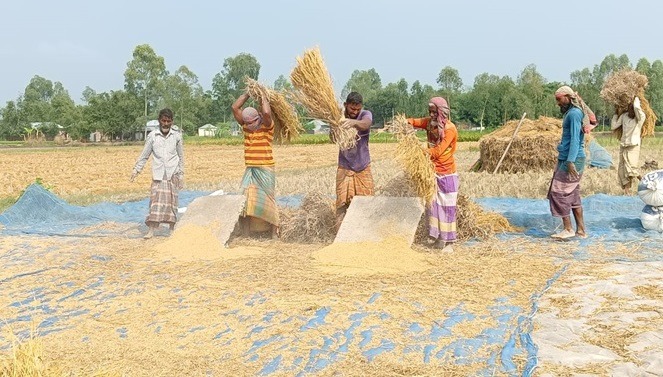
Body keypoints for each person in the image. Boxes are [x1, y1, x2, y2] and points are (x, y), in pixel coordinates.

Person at [407, 97, 458, 252]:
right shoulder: (430, 123)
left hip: (446, 174)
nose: (431, 115)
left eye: (434, 112)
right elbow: (413, 122)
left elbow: (437, 152)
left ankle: (448, 242)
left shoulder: (449, 129)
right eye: (430, 112)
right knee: (433, 206)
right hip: (432, 173)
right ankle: (437, 238)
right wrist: (405, 125)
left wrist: (418, 152)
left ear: (442, 112)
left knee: (446, 207)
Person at [130, 108, 184, 239]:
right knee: (155, 202)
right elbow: (145, 155)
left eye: (168, 121)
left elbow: (181, 156)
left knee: (172, 203)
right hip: (158, 174)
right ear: (159, 120)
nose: (165, 124)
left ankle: (171, 229)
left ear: (172, 121)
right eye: (163, 120)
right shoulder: (153, 136)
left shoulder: (176, 136)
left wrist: (181, 175)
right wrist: (136, 170)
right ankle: (151, 231)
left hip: (173, 173)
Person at [232, 92, 279, 238]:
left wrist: (261, 94)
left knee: (268, 201)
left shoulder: (267, 127)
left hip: (266, 169)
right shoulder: (246, 127)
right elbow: (234, 107)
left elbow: (266, 112)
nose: (248, 125)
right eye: (246, 123)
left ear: (257, 119)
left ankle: (274, 235)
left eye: (251, 122)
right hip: (250, 170)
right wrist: (248, 93)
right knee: (245, 201)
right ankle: (246, 235)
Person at [549, 86, 587, 239]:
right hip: (567, 158)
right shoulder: (570, 114)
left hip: (573, 159)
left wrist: (570, 160)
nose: (558, 103)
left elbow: (575, 139)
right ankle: (581, 231)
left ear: (567, 97)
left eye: (559, 99)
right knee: (572, 194)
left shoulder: (574, 114)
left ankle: (568, 229)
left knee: (559, 192)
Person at [335, 92, 374, 227]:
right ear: (345, 105)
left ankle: (365, 231)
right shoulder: (338, 117)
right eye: (352, 109)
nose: (355, 112)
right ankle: (340, 234)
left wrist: (352, 122)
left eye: (358, 109)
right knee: (341, 203)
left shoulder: (365, 115)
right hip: (344, 166)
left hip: (363, 166)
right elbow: (331, 137)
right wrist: (335, 127)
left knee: (366, 202)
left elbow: (366, 124)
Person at [611, 96, 646, 195]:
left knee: (631, 169)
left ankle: (645, 182)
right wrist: (616, 113)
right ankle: (627, 191)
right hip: (623, 145)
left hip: (633, 146)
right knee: (622, 169)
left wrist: (636, 98)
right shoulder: (624, 116)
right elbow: (614, 126)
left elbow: (637, 108)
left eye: (633, 109)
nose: (631, 111)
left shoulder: (640, 117)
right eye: (629, 108)